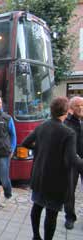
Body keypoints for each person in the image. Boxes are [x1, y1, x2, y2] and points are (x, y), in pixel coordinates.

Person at [21, 97, 83, 240]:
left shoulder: (42, 126)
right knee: (51, 214)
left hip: (39, 176)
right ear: (67, 111)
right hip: (56, 180)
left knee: (36, 207)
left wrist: (40, 148)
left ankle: (36, 236)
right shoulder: (68, 133)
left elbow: (25, 143)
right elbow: (72, 159)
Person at [63, 96, 83, 230]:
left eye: (82, 105)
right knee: (69, 191)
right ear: (71, 108)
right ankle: (70, 217)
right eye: (77, 106)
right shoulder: (66, 123)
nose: (81, 108)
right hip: (73, 161)